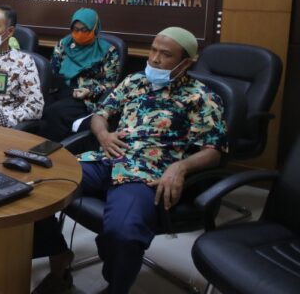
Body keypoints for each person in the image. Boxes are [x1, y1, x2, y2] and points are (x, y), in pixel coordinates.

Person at [31, 27, 227, 294]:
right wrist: (103, 134)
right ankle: (58, 258)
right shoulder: (134, 81)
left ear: (186, 62)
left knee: (122, 233)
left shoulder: (202, 97)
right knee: (35, 186)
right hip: (107, 157)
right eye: (154, 50)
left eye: (165, 55)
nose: (155, 59)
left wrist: (181, 167)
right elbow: (101, 113)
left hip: (146, 172)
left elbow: (213, 150)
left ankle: (116, 286)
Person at [36, 8, 121, 142]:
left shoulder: (108, 52)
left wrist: (90, 91)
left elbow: (110, 86)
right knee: (37, 107)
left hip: (86, 98)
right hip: (59, 90)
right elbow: (52, 72)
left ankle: (48, 151)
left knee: (54, 113)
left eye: (84, 29)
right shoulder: (64, 44)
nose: (79, 33)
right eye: (75, 29)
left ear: (95, 28)